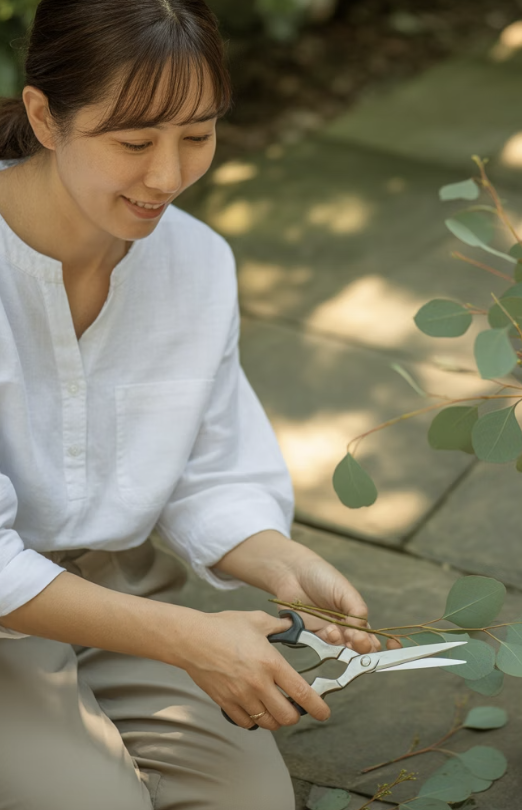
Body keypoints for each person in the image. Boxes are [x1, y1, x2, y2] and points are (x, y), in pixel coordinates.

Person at [0, 1, 385, 808]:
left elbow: (206, 471)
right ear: (44, 115)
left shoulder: (196, 263)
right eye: (135, 142)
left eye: (198, 136)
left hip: (119, 589)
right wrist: (195, 640)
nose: (169, 177)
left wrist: (284, 566)